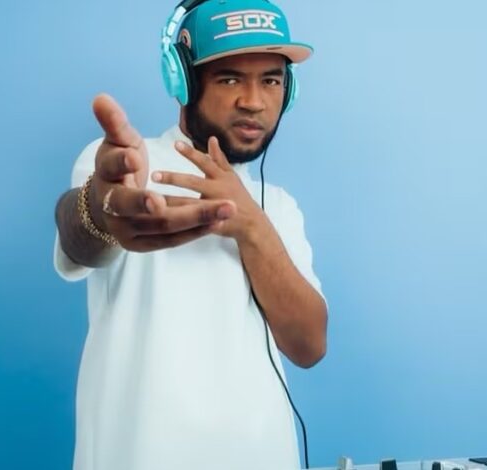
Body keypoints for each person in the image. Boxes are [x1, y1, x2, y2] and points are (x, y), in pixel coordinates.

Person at [53, 0, 327, 468]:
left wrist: (251, 226)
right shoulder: (129, 166)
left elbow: (309, 346)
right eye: (229, 79)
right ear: (182, 80)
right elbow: (80, 235)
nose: (254, 101)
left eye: (271, 80)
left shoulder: (279, 206)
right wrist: (102, 209)